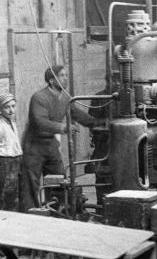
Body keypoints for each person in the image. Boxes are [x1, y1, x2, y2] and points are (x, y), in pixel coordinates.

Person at [21, 65, 105, 210]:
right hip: (34, 145)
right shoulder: (39, 97)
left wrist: (101, 123)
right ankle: (31, 214)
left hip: (50, 145)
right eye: (62, 75)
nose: (66, 78)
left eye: (66, 75)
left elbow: (80, 116)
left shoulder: (65, 98)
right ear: (52, 80)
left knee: (58, 177)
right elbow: (39, 122)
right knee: (31, 183)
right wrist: (63, 128)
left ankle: (54, 209)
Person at [88, 71, 120, 210]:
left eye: (120, 81)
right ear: (107, 81)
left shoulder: (125, 97)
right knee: (102, 175)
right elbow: (91, 121)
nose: (117, 83)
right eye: (114, 80)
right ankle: (101, 207)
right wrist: (104, 124)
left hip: (121, 143)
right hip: (103, 144)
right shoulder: (99, 97)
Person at [0, 93, 22, 211]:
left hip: (16, 160)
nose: (11, 110)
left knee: (14, 191)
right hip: (5, 161)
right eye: (7, 107)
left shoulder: (12, 123)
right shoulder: (1, 125)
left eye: (13, 106)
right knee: (5, 191)